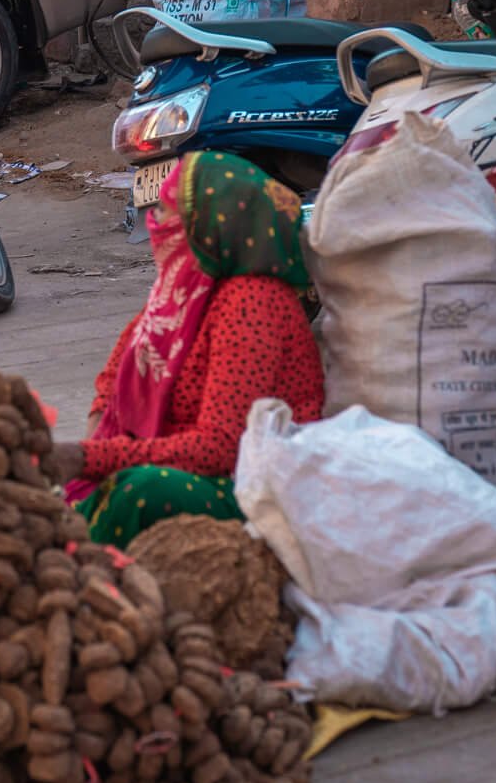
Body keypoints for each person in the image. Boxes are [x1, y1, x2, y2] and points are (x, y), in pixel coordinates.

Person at [48, 150, 324, 546]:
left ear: (206, 225)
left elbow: (220, 449)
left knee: (138, 491)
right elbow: (113, 378)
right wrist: (94, 450)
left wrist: (89, 459)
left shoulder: (252, 301)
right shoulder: (180, 292)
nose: (154, 223)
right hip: (170, 467)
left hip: (254, 489)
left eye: (165, 210)